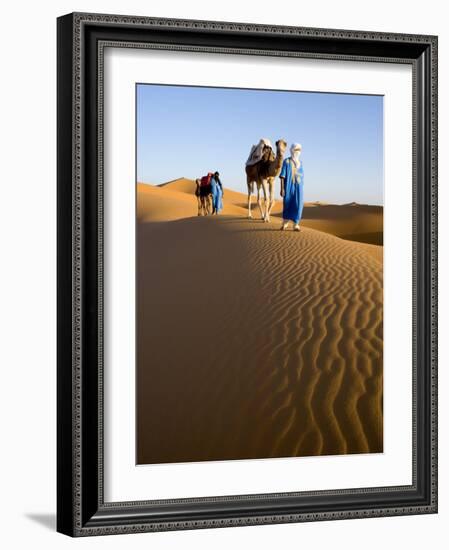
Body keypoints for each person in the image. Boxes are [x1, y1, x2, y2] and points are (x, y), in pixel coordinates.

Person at [279, 143, 304, 231]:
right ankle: (285, 223)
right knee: (287, 204)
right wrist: (282, 188)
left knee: (298, 205)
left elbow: (302, 176)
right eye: (296, 150)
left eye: (299, 150)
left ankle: (296, 224)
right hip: (288, 186)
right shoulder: (287, 161)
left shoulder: (300, 163)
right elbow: (282, 176)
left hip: (299, 188)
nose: (298, 152)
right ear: (292, 150)